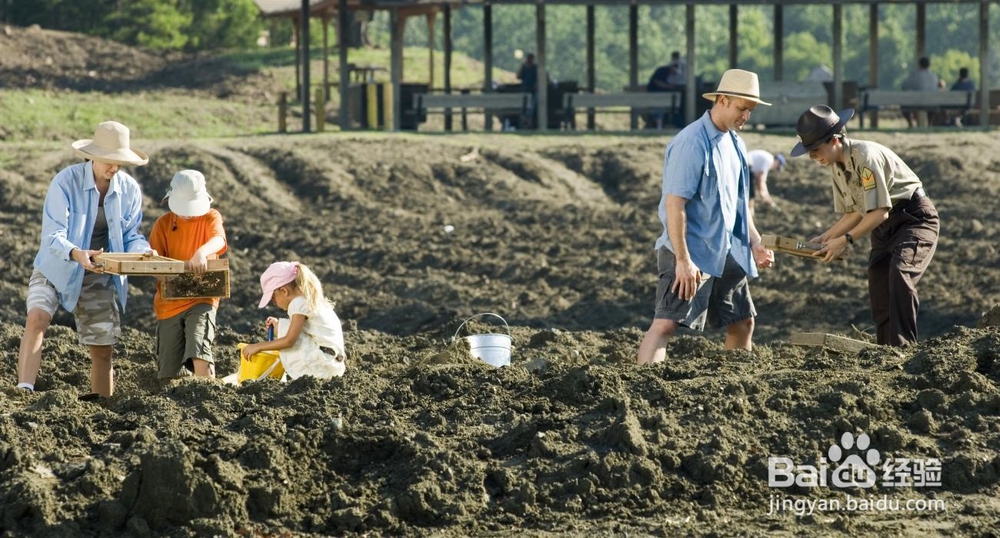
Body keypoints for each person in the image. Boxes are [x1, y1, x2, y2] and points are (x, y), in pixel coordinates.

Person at [637, 69, 775, 364]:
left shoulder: (737, 144)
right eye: (741, 109)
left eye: (749, 111)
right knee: (665, 324)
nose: (745, 117)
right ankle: (642, 386)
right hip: (692, 251)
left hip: (726, 251)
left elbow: (738, 205)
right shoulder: (691, 142)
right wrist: (683, 261)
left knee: (742, 322)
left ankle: (735, 380)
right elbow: (675, 204)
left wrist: (755, 242)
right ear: (722, 100)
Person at [15, 121, 152, 398]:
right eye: (109, 161)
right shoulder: (66, 182)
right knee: (37, 318)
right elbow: (53, 235)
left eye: (120, 163)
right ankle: (24, 390)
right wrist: (77, 253)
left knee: (104, 346)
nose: (114, 168)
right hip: (59, 264)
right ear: (93, 156)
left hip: (100, 268)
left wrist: (144, 251)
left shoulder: (129, 190)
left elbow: (130, 234)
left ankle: (102, 406)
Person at [791, 105, 939, 347]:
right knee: (879, 281)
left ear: (835, 140)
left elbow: (879, 211)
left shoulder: (865, 157)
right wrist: (825, 237)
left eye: (815, 149)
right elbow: (853, 213)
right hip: (883, 226)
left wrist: (845, 240)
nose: (812, 156)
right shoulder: (836, 166)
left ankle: (905, 348)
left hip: (913, 218)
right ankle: (885, 349)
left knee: (901, 274)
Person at [149, 170, 228, 380]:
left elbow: (219, 240)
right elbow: (155, 264)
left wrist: (201, 252)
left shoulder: (211, 217)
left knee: (199, 351)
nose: (187, 213)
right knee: (168, 372)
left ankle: (211, 398)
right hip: (169, 302)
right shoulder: (163, 224)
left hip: (203, 296)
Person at [241, 261, 346, 380]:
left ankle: (299, 377)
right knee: (284, 326)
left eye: (273, 298)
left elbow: (290, 341)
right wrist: (279, 326)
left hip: (322, 369)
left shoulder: (298, 303)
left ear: (284, 291)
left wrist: (260, 346)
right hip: (332, 364)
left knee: (286, 330)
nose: (274, 303)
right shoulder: (310, 300)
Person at [901, 57, 939, 128]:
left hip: (916, 103)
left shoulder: (914, 75)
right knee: (934, 108)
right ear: (929, 65)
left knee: (904, 106)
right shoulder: (934, 76)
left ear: (919, 65)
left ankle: (910, 123)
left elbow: (904, 86)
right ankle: (929, 123)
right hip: (931, 104)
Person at [517, 53, 539, 129]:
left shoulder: (536, 68)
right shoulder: (524, 67)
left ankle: (529, 122)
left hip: (533, 91)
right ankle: (525, 122)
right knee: (525, 108)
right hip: (525, 90)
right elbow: (518, 76)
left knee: (531, 108)